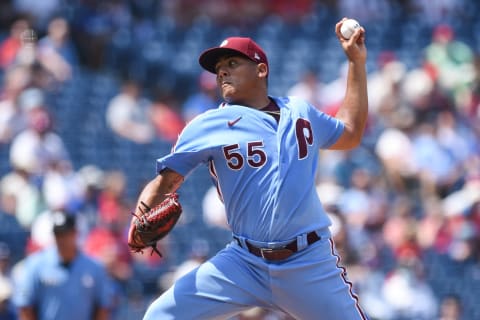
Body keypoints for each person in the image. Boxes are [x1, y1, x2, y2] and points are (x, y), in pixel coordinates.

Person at [130, 17, 369, 320]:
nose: (222, 72)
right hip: (244, 262)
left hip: (308, 262)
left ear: (261, 69)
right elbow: (165, 182)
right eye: (218, 69)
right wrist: (136, 221)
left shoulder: (300, 110)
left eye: (232, 62)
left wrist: (355, 63)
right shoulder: (207, 125)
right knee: (159, 316)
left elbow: (350, 133)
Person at [13, 210, 115, 320]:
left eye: (65, 234)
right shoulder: (36, 265)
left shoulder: (94, 267)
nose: (61, 239)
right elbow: (25, 306)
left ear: (75, 233)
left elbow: (103, 307)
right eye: (58, 234)